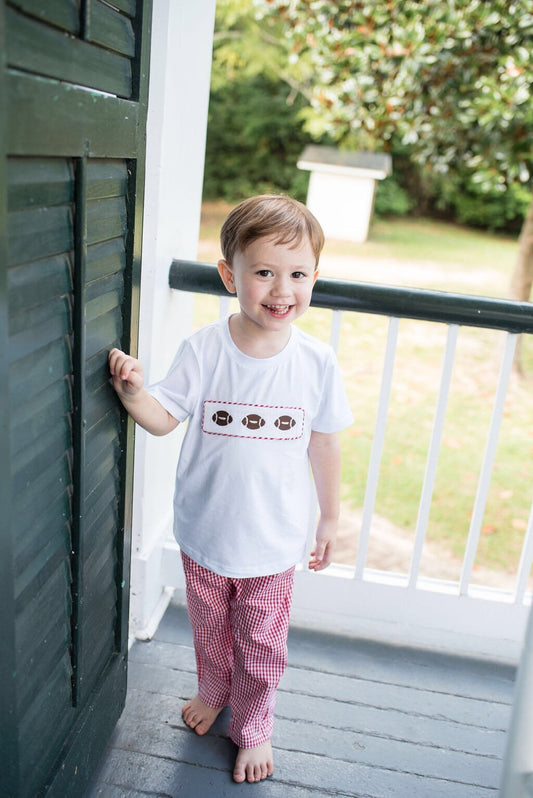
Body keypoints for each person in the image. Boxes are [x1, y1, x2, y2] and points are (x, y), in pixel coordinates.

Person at [108, 194, 353, 784]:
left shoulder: (316, 363)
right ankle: (214, 690)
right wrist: (135, 391)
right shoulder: (205, 349)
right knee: (211, 630)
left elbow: (324, 442)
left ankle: (255, 725)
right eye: (264, 272)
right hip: (206, 532)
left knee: (262, 645)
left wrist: (329, 519)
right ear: (229, 275)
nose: (281, 289)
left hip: (272, 544)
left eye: (297, 275)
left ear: (314, 278)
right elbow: (165, 415)